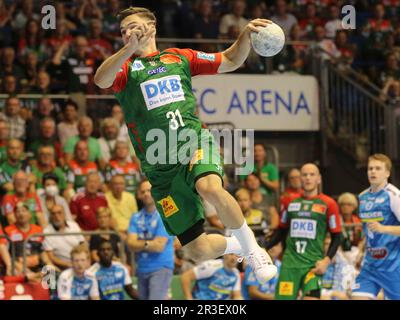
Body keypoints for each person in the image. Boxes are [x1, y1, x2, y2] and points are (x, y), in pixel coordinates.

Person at [94, 6, 277, 283]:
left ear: (152, 26)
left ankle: (253, 251)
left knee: (209, 187)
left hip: (192, 142)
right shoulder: (126, 69)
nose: (127, 33)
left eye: (133, 26)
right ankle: (238, 245)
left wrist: (244, 37)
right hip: (160, 168)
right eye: (123, 31)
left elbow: (229, 60)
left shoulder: (178, 57)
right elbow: (100, 79)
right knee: (196, 250)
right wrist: (127, 49)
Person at [266, 163, 342, 300]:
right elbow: (281, 231)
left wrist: (326, 261)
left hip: (313, 265)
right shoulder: (289, 201)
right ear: (300, 179)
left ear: (318, 179)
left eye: (312, 174)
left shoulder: (329, 204)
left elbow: (337, 236)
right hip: (290, 265)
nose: (308, 178)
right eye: (304, 175)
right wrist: (264, 248)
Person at [352, 154, 400, 300]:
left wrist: (384, 229)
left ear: (387, 173)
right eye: (370, 168)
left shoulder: (393, 195)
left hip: (393, 266)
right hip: (370, 265)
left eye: (378, 168)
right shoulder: (362, 197)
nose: (373, 172)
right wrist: (361, 248)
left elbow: (379, 228)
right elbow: (369, 229)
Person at [127, 179, 175, 300]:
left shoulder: (166, 212)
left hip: (161, 267)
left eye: (149, 190)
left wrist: (140, 243)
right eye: (143, 191)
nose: (146, 194)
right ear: (138, 195)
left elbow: (159, 246)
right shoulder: (136, 217)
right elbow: (130, 244)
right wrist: (149, 243)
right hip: (142, 268)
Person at [5, 202, 52, 274]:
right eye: (18, 211)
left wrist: (50, 265)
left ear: (29, 214)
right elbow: (7, 256)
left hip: (38, 267)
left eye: (24, 210)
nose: (21, 214)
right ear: (14, 215)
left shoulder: (38, 229)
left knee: (53, 274)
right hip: (18, 267)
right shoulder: (8, 230)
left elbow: (42, 251)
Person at [43, 204, 85, 271]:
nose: (56, 216)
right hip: (62, 267)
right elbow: (51, 257)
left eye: (59, 213)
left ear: (64, 214)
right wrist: (68, 264)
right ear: (51, 216)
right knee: (48, 272)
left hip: (80, 263)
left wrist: (83, 261)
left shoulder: (74, 225)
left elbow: (83, 245)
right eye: (53, 214)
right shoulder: (47, 231)